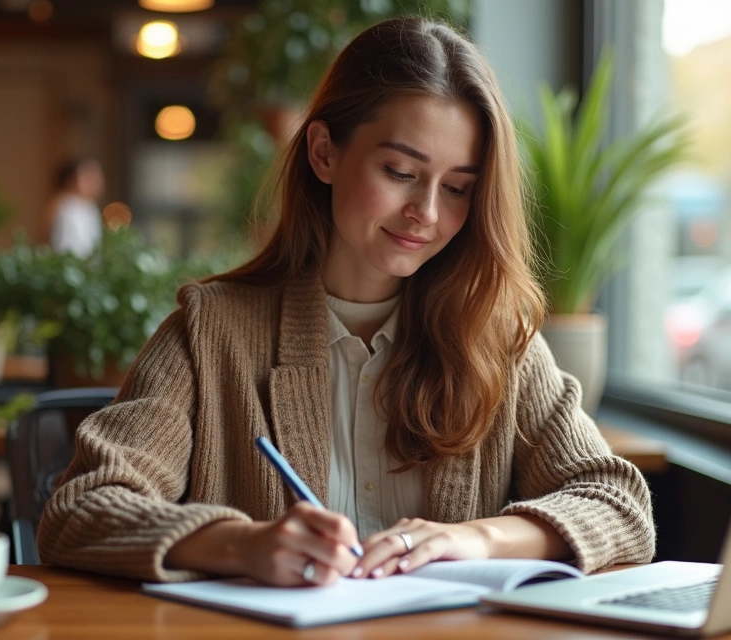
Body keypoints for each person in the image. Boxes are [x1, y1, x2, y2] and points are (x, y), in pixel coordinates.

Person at [38, 17, 654, 587]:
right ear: (324, 153)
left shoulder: (496, 336)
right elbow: (79, 508)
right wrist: (242, 545)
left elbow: (619, 504)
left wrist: (476, 539)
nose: (427, 213)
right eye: (400, 172)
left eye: (458, 188)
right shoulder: (209, 334)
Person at [48, 158, 105, 257]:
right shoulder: (68, 209)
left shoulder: (90, 207)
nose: (96, 181)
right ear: (72, 180)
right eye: (89, 177)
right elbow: (67, 251)